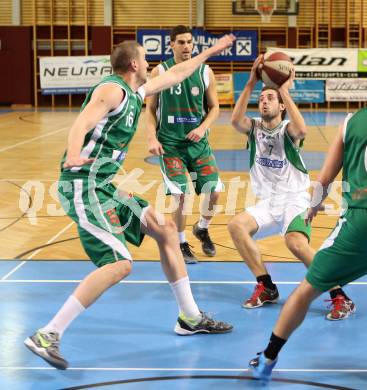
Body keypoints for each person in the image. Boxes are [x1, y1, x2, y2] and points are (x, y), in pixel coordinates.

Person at [24, 35, 235, 370]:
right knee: (120, 264)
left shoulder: (138, 91)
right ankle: (48, 334)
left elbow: (178, 72)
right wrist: (75, 153)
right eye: (146, 57)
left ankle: (190, 318)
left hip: (105, 184)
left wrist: (211, 51)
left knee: (165, 229)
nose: (151, 62)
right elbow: (82, 122)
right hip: (84, 185)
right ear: (134, 64)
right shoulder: (112, 90)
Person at [228, 56, 354, 320]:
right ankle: (266, 285)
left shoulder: (287, 129)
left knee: (295, 242)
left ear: (282, 106)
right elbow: (235, 120)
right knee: (236, 225)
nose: (264, 102)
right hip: (267, 203)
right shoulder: (253, 128)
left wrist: (284, 88)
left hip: (294, 199)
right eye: (262, 99)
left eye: (270, 99)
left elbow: (302, 129)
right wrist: (251, 83)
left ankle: (339, 295)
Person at [249, 107, 367, 383]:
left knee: (305, 292)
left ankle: (268, 357)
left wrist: (313, 208)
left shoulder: (351, 122)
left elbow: (324, 179)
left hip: (360, 223)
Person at [145, 25, 223, 264]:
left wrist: (202, 128)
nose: (187, 46)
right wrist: (151, 137)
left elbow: (215, 107)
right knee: (180, 195)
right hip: (170, 145)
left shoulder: (204, 71)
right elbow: (149, 109)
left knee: (215, 191)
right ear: (171, 44)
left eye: (189, 42)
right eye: (181, 42)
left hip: (197, 144)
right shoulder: (160, 71)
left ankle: (202, 227)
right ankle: (180, 242)